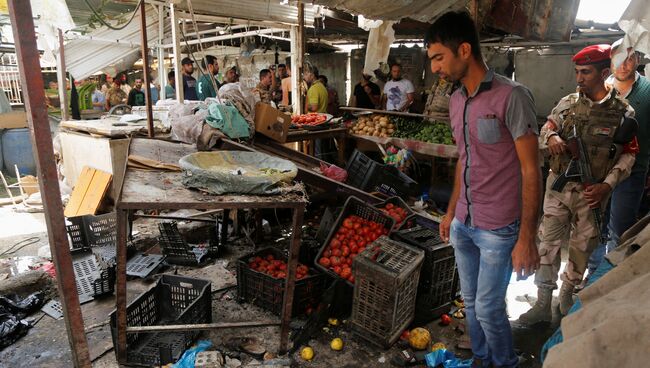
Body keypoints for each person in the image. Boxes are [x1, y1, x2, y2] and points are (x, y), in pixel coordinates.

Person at [427, 11, 541, 368]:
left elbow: (531, 169)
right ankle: (481, 359)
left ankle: (505, 362)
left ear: (463, 50)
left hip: (498, 227)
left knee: (490, 308)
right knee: (471, 302)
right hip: (464, 222)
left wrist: (527, 238)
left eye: (438, 58)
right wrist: (450, 213)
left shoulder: (512, 96)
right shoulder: (457, 100)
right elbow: (464, 158)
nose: (434, 68)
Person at [518, 44, 638, 326]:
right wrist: (552, 139)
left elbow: (630, 155)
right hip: (558, 190)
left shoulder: (623, 112)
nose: (579, 78)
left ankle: (567, 296)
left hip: (593, 194)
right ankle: (543, 302)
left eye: (586, 72)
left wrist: (607, 186)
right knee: (547, 243)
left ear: (604, 73)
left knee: (583, 247)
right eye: (577, 72)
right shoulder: (567, 104)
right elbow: (544, 130)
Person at [587, 40, 650, 275]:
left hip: (631, 172)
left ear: (638, 60)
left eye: (630, 58)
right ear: (610, 61)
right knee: (593, 225)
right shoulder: (598, 89)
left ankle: (607, 279)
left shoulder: (648, 91)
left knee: (620, 229)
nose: (624, 65)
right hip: (598, 171)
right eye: (619, 58)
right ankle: (591, 273)